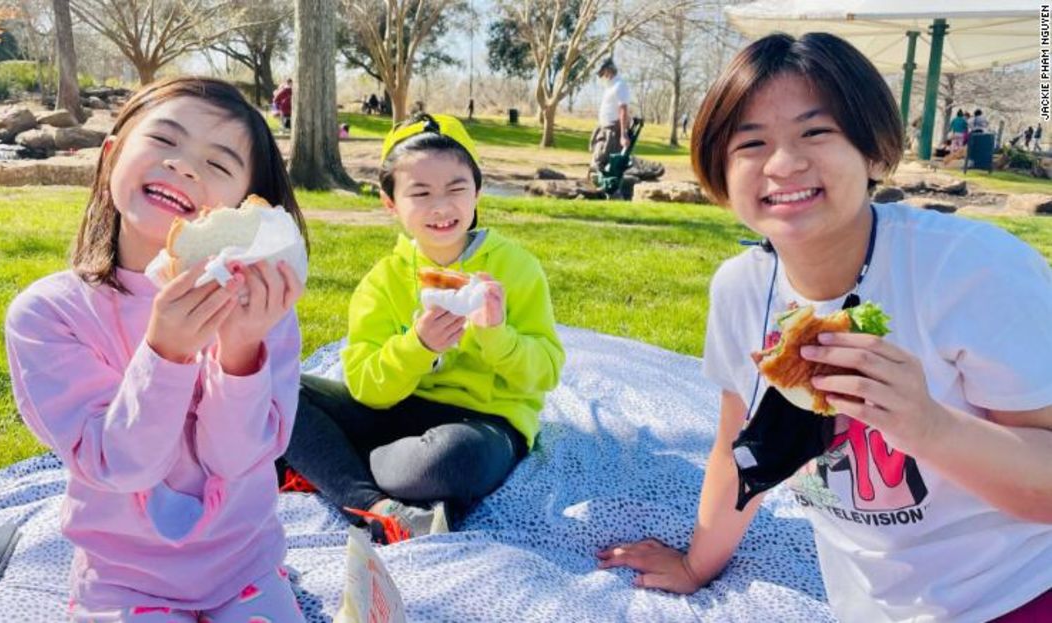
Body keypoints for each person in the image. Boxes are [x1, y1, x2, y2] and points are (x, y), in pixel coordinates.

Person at [597, 32, 1052, 622]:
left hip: (1015, 593)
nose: (783, 164)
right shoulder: (741, 291)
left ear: (873, 152)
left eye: (816, 132)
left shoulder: (970, 269)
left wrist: (928, 426)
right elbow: (737, 448)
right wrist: (693, 566)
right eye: (751, 143)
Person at [5, 77, 309, 622]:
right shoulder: (50, 315)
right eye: (164, 140)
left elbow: (237, 459)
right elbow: (122, 466)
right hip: (123, 579)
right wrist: (165, 353)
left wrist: (240, 349)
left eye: (218, 165)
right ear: (111, 156)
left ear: (246, 203)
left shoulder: (264, 310)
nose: (186, 167)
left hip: (244, 567)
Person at [281, 113, 565, 544]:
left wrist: (496, 336)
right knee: (277, 390)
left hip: (484, 425)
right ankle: (375, 507)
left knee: (443, 464)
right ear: (389, 201)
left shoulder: (516, 268)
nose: (441, 207)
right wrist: (417, 346)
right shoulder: (383, 280)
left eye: (456, 188)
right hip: (395, 412)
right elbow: (365, 386)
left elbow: (546, 372)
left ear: (478, 190)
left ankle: (322, 461)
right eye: (420, 192)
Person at [589, 57, 632, 175]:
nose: (602, 76)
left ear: (609, 69)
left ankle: (608, 190)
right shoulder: (610, 85)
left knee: (599, 161)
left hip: (612, 131)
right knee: (596, 161)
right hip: (604, 128)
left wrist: (623, 135)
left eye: (603, 73)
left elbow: (623, 110)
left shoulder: (620, 85)